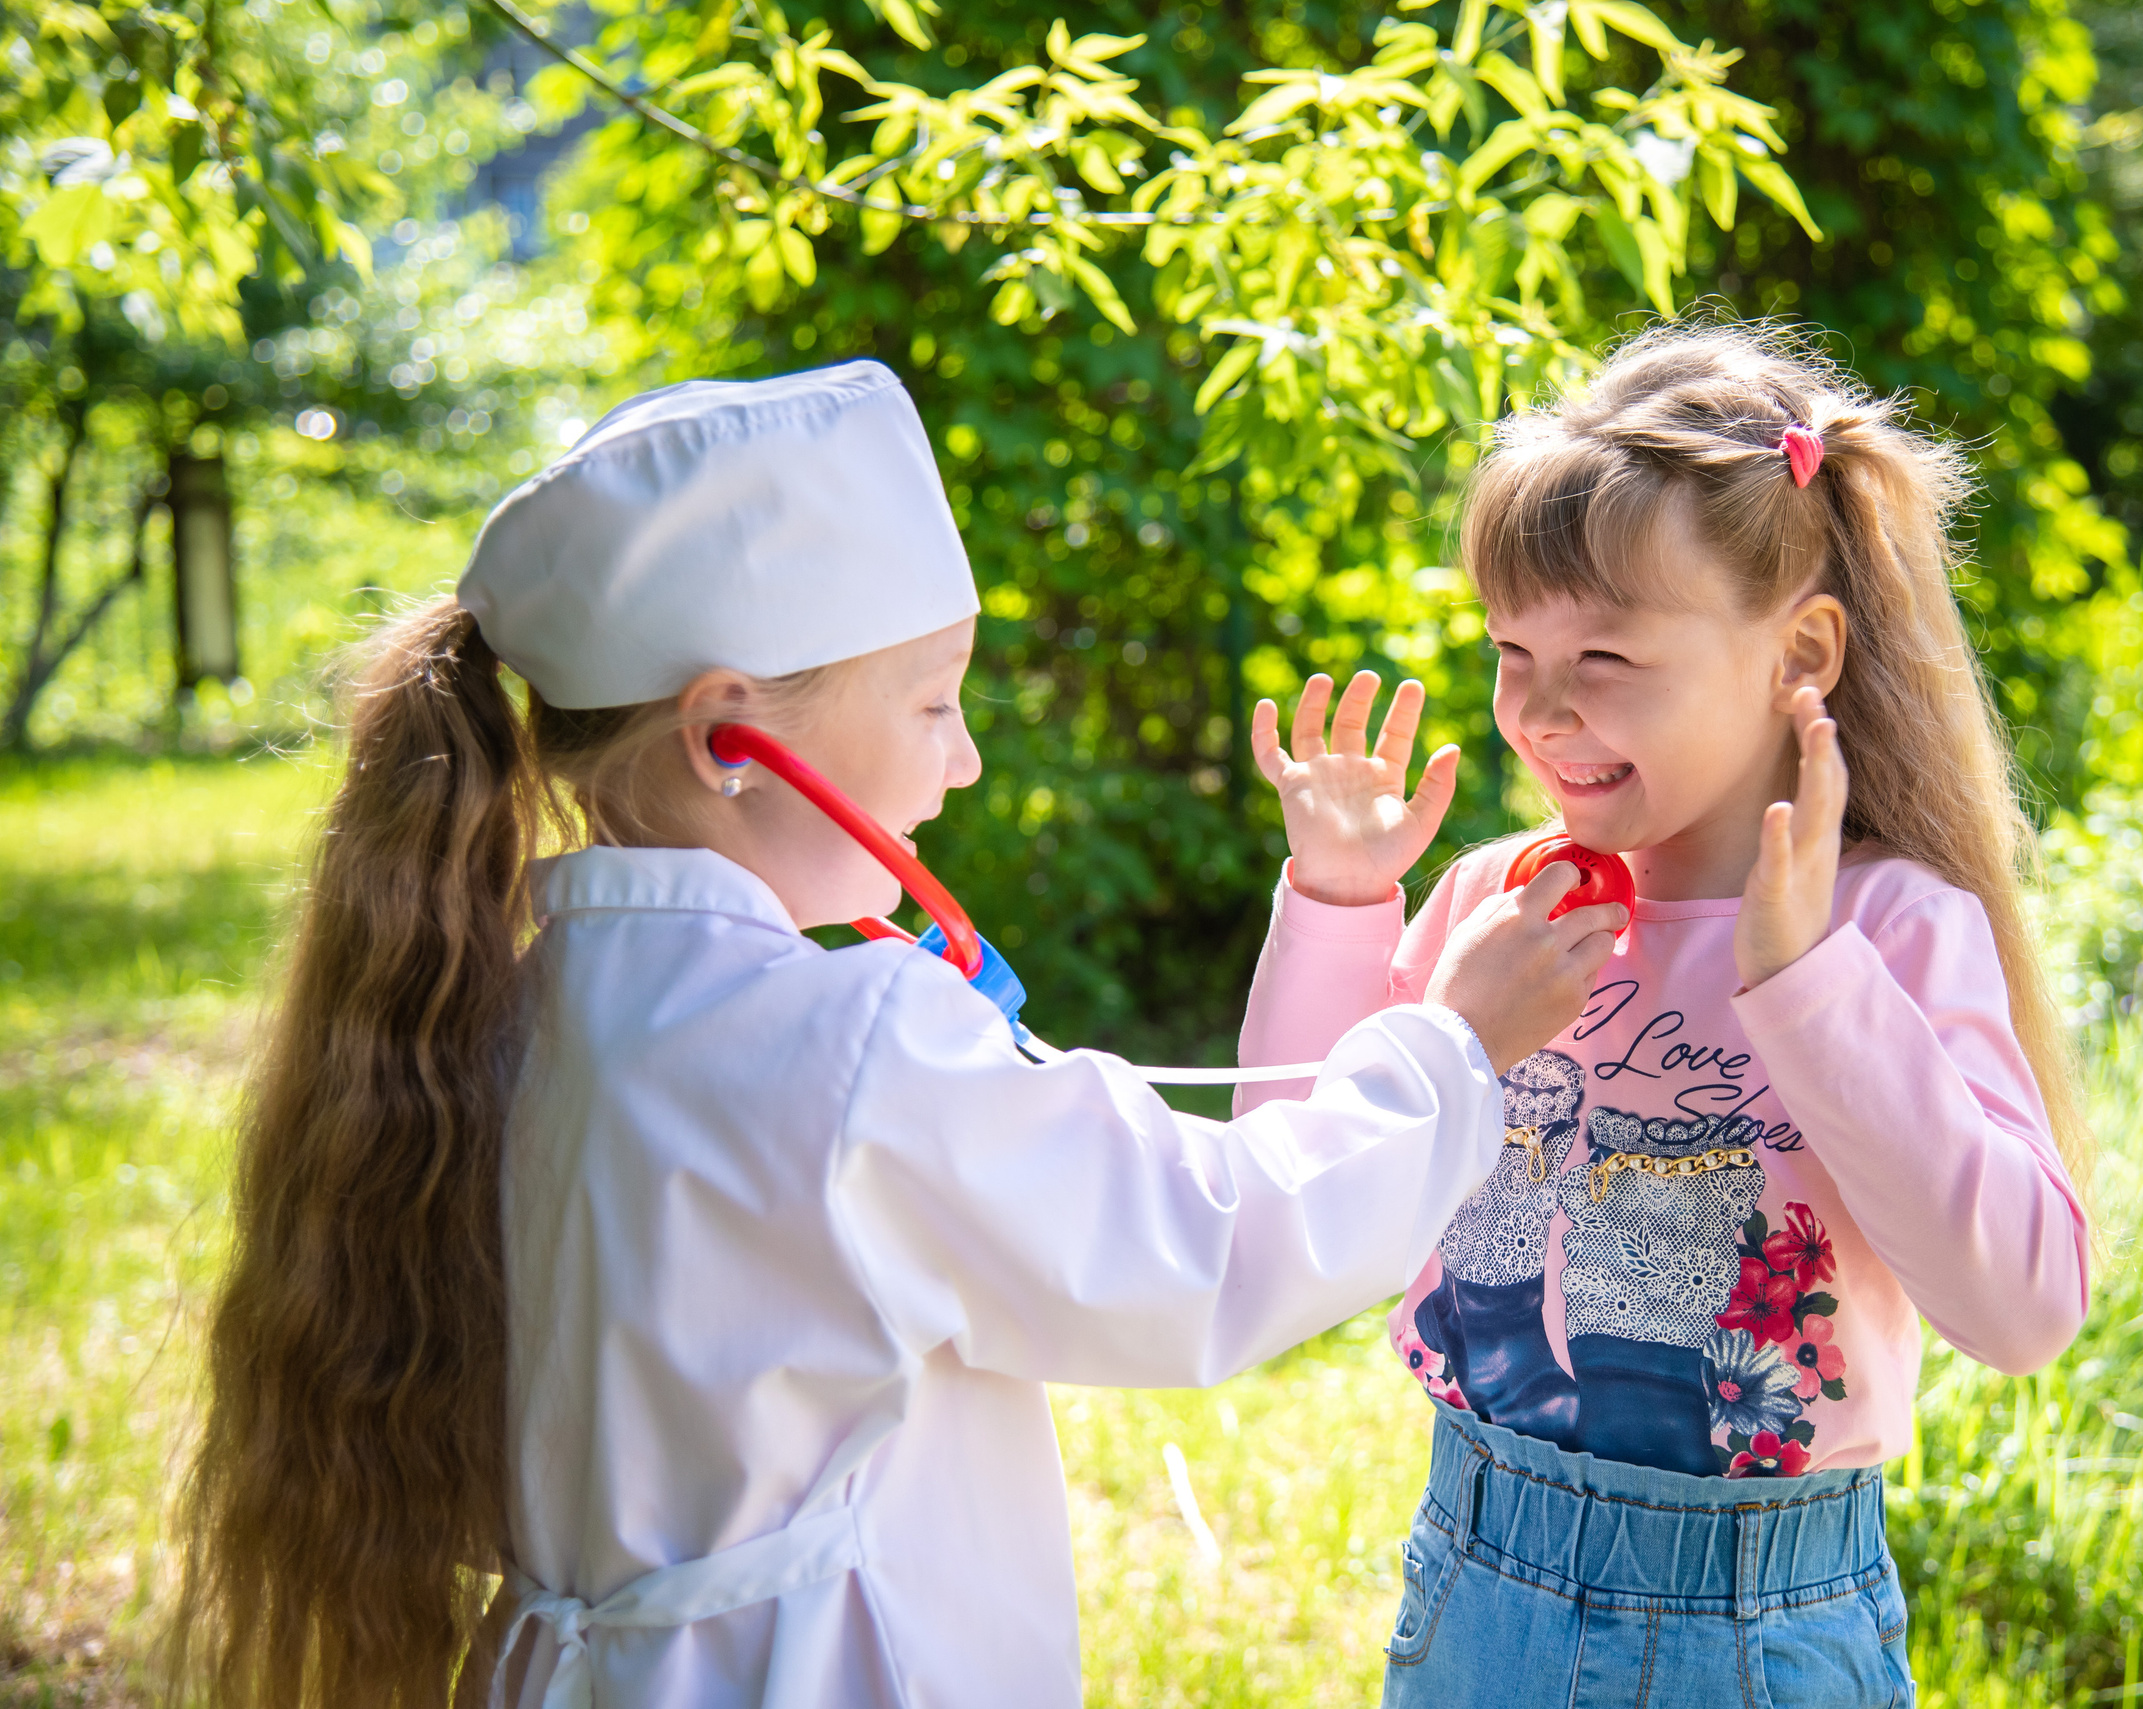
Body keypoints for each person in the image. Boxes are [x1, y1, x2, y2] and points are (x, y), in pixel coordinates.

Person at [167, 360, 1625, 1709]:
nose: (966, 755)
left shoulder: (513, 1004)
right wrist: (1453, 1047)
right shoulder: (851, 1039)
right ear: (728, 735)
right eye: (933, 701)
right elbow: (1200, 1253)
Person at [1236, 323, 2093, 1706]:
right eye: (1514, 647)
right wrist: (1342, 902)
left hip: (1754, 1624)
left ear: (1799, 652)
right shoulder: (1495, 907)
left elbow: (2024, 1309)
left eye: (1611, 656)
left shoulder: (1883, 930)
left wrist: (1807, 983)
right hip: (1476, 1580)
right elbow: (1288, 1198)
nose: (1543, 707)